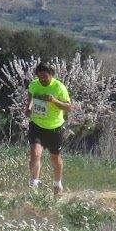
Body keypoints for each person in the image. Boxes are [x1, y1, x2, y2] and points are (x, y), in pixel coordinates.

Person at [25, 62, 74, 194]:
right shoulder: (34, 84)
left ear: (51, 75)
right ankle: (34, 183)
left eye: (45, 77)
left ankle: (57, 183)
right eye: (40, 77)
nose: (43, 80)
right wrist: (28, 108)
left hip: (54, 128)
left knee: (54, 157)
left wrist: (54, 101)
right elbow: (30, 96)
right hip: (36, 125)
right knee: (35, 153)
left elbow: (69, 107)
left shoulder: (59, 87)